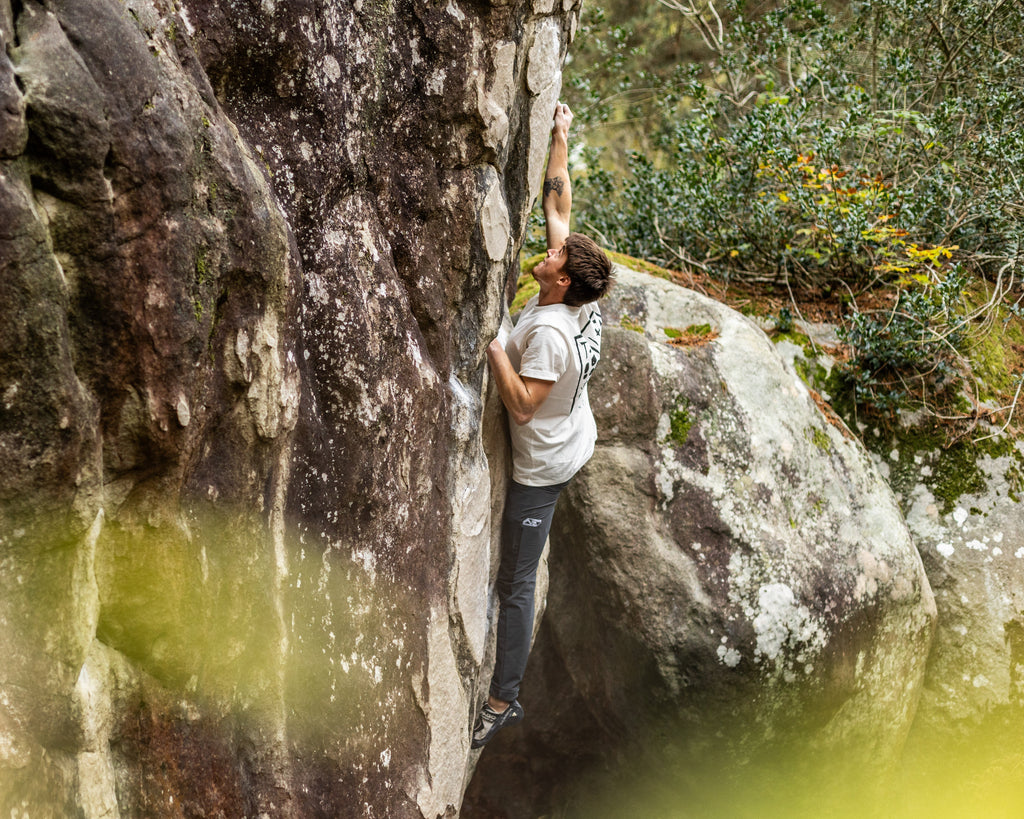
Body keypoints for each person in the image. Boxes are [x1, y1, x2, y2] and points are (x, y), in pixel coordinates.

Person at [472, 102, 614, 749]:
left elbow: (523, 406)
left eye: (554, 257)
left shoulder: (553, 335)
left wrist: (494, 343)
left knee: (515, 581)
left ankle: (505, 698)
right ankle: (506, 694)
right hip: (573, 429)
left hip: (544, 462)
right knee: (517, 577)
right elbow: (559, 204)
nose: (549, 249)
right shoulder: (573, 291)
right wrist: (560, 136)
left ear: (559, 284)